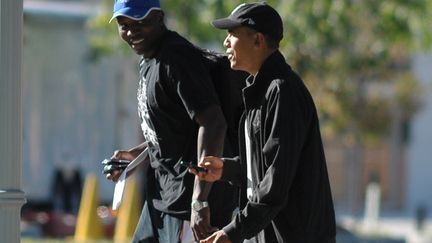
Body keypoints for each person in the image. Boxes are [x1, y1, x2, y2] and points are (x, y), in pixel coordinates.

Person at [191, 2, 336, 243]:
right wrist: (226, 169)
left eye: (233, 34)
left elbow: (276, 181)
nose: (226, 42)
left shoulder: (282, 92)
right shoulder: (260, 91)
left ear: (258, 41)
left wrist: (233, 231)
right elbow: (265, 166)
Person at [104, 0, 238, 242]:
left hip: (186, 203)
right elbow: (175, 128)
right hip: (161, 199)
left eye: (141, 22)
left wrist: (200, 200)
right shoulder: (149, 58)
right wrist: (135, 156)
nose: (132, 32)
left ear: (159, 17)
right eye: (125, 25)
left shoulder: (176, 58)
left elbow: (213, 122)